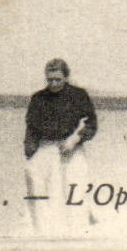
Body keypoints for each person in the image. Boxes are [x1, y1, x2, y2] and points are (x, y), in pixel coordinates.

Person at [23, 58, 97, 236]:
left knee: (73, 188)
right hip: (46, 147)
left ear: (66, 77)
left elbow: (91, 123)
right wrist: (31, 153)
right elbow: (31, 128)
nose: (53, 83)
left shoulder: (78, 95)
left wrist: (75, 139)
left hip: (70, 147)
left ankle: (77, 232)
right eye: (50, 80)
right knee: (39, 187)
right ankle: (42, 232)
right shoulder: (38, 98)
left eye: (58, 79)